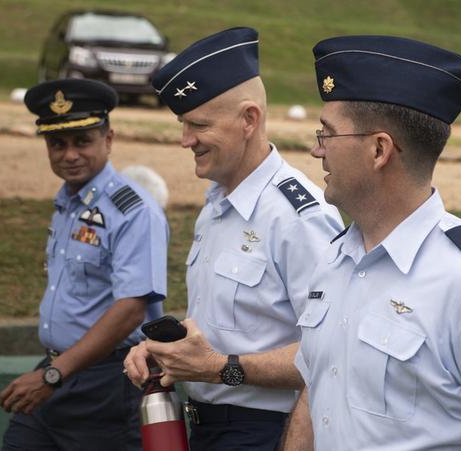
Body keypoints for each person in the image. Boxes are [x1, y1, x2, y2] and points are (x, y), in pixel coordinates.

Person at [281, 35, 461, 450]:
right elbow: (318, 389)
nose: (316, 150)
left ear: (379, 150)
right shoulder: (336, 258)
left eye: (327, 134)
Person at [123, 27, 343, 450]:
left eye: (199, 125)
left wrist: (219, 367)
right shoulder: (218, 205)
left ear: (249, 119)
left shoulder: (297, 216)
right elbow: (227, 327)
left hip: (267, 432)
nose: (186, 140)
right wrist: (168, 353)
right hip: (206, 426)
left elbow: (333, 350)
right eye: (184, 124)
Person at [0, 78, 169, 451]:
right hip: (58, 372)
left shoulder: (133, 210)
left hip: (106, 384)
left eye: (83, 141)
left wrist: (53, 375)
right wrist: (53, 372)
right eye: (57, 144)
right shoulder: (67, 203)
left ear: (108, 140)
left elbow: (129, 310)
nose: (70, 154)